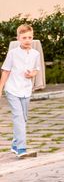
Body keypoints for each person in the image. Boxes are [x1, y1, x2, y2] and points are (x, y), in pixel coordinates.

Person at [0, 24, 40, 158]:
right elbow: (6, 71)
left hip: (26, 90)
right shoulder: (12, 53)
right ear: (18, 39)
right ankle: (21, 149)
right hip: (12, 89)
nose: (27, 40)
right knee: (18, 118)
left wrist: (32, 74)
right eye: (24, 38)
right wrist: (0, 88)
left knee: (24, 118)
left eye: (30, 37)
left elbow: (36, 70)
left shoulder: (35, 54)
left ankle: (15, 144)